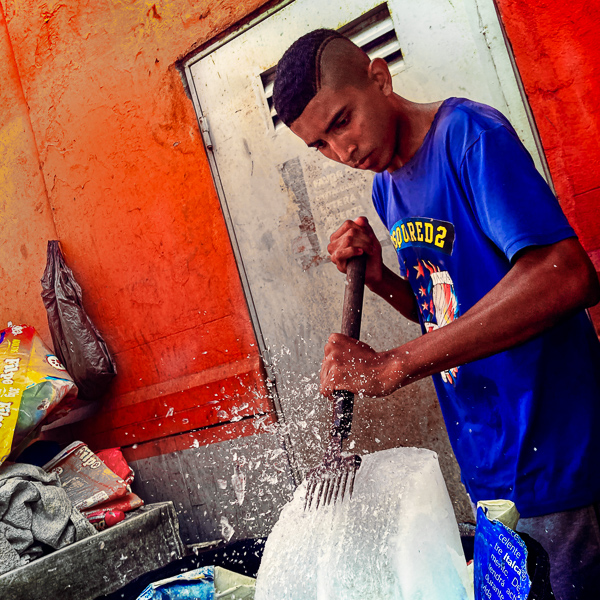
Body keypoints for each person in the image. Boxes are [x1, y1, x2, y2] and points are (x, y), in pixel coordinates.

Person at [272, 29, 600, 599]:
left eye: (343, 120)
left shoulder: (469, 137)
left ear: (380, 77)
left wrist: (393, 365)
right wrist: (379, 279)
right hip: (488, 463)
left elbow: (565, 275)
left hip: (555, 451)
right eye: (320, 144)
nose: (342, 151)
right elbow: (447, 312)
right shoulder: (387, 190)